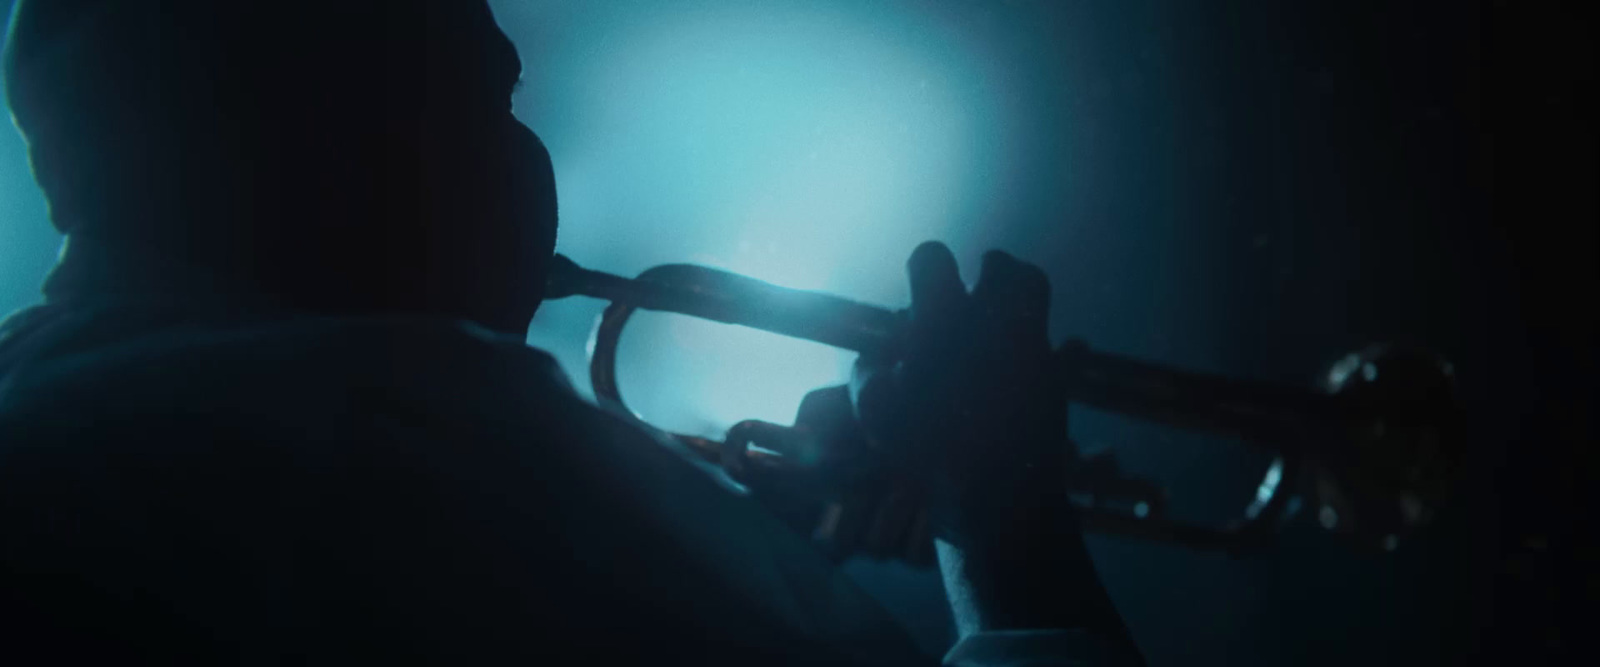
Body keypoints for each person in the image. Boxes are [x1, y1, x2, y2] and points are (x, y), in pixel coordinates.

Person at [0, 1, 1143, 664]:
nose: (524, 140)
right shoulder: (393, 434)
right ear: (325, 126)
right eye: (489, 97)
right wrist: (1004, 528)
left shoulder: (48, 398)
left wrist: (754, 546)